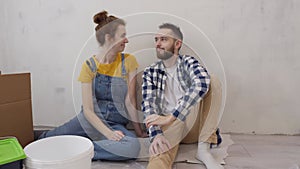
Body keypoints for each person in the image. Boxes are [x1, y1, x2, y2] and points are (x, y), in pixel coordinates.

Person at [39, 11, 147, 161]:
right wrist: (108, 135)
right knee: (45, 140)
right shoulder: (89, 66)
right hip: (88, 122)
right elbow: (88, 110)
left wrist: (139, 132)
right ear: (109, 38)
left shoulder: (129, 61)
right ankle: (82, 148)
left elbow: (130, 102)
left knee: (132, 147)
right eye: (122, 36)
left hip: (115, 124)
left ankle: (77, 151)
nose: (127, 40)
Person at [142, 23, 224, 169]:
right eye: (156, 40)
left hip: (193, 126)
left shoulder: (188, 62)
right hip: (170, 126)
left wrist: (172, 115)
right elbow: (149, 106)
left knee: (213, 80)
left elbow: (202, 83)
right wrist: (156, 135)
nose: (158, 44)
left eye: (164, 39)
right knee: (159, 150)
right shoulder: (150, 72)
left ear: (177, 43)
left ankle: (203, 151)